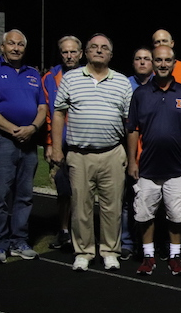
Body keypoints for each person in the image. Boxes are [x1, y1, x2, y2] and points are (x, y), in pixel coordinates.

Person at [51, 33, 132, 272]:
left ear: (111, 54)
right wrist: (56, 148)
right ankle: (84, 252)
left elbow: (129, 122)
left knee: (112, 208)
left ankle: (110, 251)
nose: (99, 50)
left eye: (104, 47)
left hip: (112, 153)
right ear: (86, 52)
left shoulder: (122, 81)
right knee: (80, 208)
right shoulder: (71, 78)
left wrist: (129, 155)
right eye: (94, 47)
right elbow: (58, 113)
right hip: (79, 154)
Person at [0, 29, 46, 264]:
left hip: (28, 142)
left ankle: (19, 240)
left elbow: (42, 108)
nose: (16, 48)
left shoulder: (33, 73)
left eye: (20, 44)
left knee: (24, 195)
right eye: (12, 44)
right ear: (3, 46)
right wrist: (14, 130)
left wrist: (32, 128)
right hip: (0, 141)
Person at [128, 44, 181, 276]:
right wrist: (132, 161)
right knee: (144, 215)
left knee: (176, 215)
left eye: (167, 60)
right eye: (158, 60)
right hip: (147, 167)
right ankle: (149, 256)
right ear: (153, 63)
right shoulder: (140, 94)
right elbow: (133, 129)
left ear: (174, 63)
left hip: (176, 167)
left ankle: (175, 257)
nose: (163, 64)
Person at [42, 35, 83, 250]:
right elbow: (47, 114)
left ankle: (81, 233)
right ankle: (64, 231)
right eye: (65, 52)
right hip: (61, 145)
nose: (69, 56)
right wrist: (50, 144)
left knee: (83, 191)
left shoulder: (89, 75)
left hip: (83, 145)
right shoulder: (50, 78)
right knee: (63, 190)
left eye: (73, 52)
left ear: (80, 54)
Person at [120, 46, 156, 260]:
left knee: (154, 200)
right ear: (133, 62)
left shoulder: (161, 85)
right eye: (138, 59)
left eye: (146, 59)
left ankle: (151, 244)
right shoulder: (125, 84)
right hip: (129, 150)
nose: (142, 62)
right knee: (128, 200)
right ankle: (127, 241)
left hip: (153, 152)